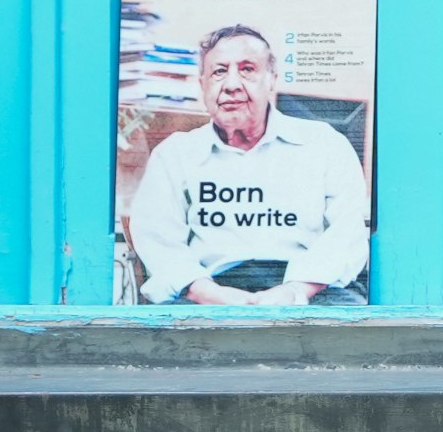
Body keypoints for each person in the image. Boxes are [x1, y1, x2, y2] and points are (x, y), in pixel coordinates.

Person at [126, 24, 370, 304]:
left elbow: (346, 235)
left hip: (310, 290)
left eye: (247, 69)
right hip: (209, 292)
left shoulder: (325, 144)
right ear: (202, 84)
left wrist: (294, 291)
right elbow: (159, 243)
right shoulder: (175, 154)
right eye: (219, 71)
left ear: (271, 80)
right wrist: (214, 295)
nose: (231, 85)